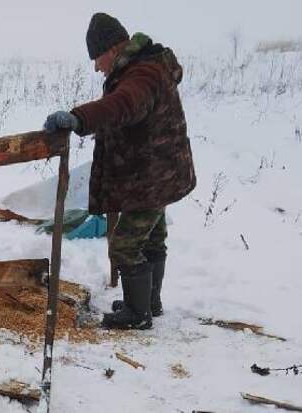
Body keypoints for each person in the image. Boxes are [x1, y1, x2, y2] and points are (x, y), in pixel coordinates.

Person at [44, 13, 196, 329]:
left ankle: (137, 315)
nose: (97, 66)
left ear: (112, 49)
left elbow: (123, 104)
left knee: (124, 245)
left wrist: (78, 118)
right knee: (153, 240)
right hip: (158, 173)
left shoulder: (143, 75)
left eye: (97, 58)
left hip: (152, 177)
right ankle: (147, 303)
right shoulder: (145, 68)